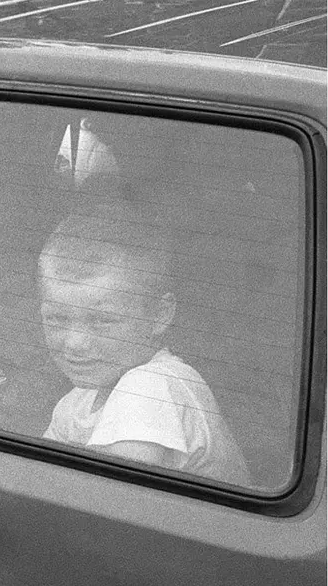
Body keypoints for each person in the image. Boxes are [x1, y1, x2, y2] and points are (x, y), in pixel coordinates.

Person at [36, 204, 248, 484]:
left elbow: (111, 506)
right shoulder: (76, 403)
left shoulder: (151, 388)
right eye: (57, 318)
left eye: (102, 321)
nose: (75, 343)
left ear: (160, 315)